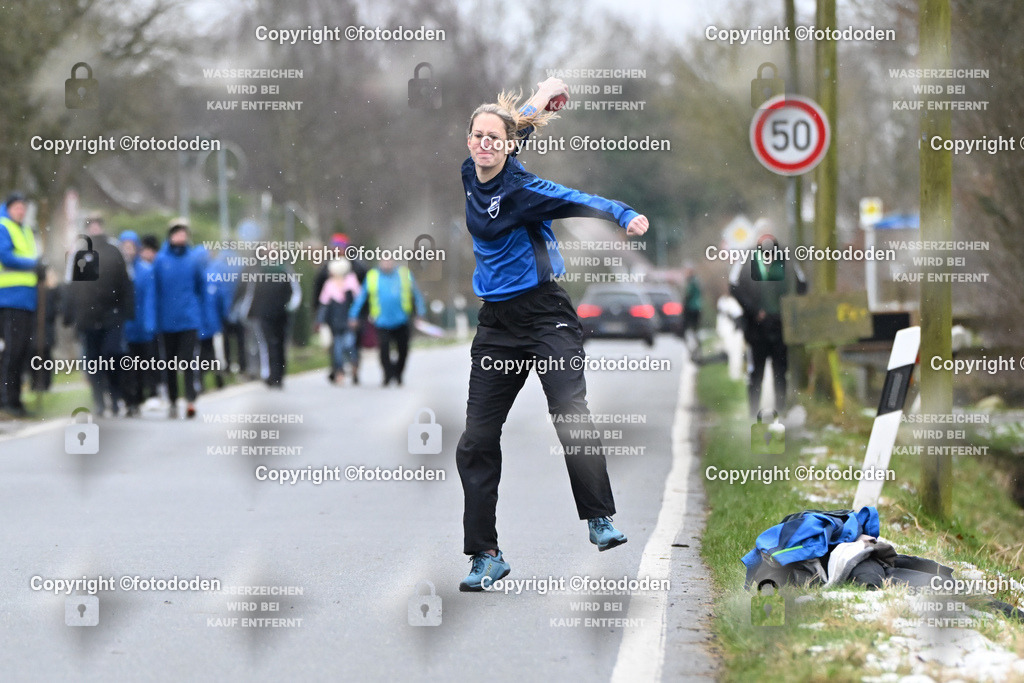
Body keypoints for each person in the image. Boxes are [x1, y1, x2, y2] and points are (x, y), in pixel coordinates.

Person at [455, 78, 649, 591]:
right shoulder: (469, 174)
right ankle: (486, 555)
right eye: (477, 136)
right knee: (475, 439)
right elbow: (512, 123)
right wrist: (543, 96)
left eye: (493, 140)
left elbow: (576, 198)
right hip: (496, 326)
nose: (484, 145)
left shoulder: (523, 191)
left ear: (509, 147)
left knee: (569, 412)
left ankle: (599, 518)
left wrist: (623, 213)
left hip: (546, 318)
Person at [729, 232, 807, 417]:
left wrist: (786, 309)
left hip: (780, 327)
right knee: (757, 373)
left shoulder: (786, 263)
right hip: (757, 329)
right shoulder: (748, 263)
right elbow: (735, 287)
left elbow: (801, 285)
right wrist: (754, 311)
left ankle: (780, 410)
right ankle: (753, 411)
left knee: (780, 372)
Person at [63, 216, 134, 417]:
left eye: (97, 225)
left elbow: (126, 281)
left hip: (111, 315)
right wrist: (69, 314)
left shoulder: (114, 249)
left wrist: (127, 311)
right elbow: (71, 285)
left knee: (112, 355)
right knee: (92, 361)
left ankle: (115, 395)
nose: (94, 228)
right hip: (86, 316)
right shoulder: (78, 253)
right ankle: (99, 401)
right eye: (90, 226)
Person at [153, 218, 204, 419]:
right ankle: (173, 401)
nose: (181, 236)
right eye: (177, 232)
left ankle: (190, 400)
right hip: (167, 321)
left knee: (188, 361)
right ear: (170, 236)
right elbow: (155, 291)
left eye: (184, 232)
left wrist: (199, 314)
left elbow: (200, 288)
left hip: (188, 319)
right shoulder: (160, 261)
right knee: (171, 364)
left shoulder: (193, 259)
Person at [348, 258, 425, 387]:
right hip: (381, 321)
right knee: (384, 351)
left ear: (394, 262)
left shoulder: (404, 274)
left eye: (389, 261)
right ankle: (387, 375)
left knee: (403, 351)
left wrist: (420, 312)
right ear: (380, 263)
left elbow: (416, 294)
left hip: (402, 320)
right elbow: (361, 297)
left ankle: (399, 374)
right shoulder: (372, 276)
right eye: (384, 261)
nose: (387, 264)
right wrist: (353, 315)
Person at [0, 192, 43, 417]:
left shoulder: (25, 230)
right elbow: (5, 256)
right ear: (8, 208)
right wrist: (34, 264)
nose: (21, 211)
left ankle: (15, 400)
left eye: (23, 207)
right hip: (9, 297)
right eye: (17, 207)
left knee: (22, 352)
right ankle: (7, 400)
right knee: (12, 351)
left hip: (26, 299)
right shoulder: (3, 227)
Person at [234, 252, 301, 388]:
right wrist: (246, 312)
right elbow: (251, 294)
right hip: (266, 315)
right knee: (270, 344)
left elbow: (295, 293)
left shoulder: (285, 271)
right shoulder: (259, 272)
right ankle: (273, 375)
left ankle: (278, 375)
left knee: (278, 344)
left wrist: (290, 307)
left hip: (280, 315)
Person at [119, 231, 157, 417]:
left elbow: (150, 298)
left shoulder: (146, 270)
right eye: (124, 246)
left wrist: (150, 322)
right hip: (124, 327)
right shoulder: (118, 270)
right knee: (127, 366)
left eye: (130, 246)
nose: (128, 250)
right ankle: (129, 400)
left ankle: (139, 397)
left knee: (142, 365)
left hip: (142, 326)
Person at [316, 258, 361, 384]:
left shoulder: (351, 282)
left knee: (349, 345)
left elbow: (359, 301)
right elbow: (324, 305)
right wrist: (320, 322)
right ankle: (339, 372)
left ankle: (354, 365)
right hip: (335, 322)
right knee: (337, 349)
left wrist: (356, 318)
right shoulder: (329, 285)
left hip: (349, 321)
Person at [680, 262, 703, 360]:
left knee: (690, 331)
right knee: (694, 331)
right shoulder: (696, 281)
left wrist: (683, 305)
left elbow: (687, 295)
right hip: (696, 308)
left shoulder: (691, 282)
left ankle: (694, 353)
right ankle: (696, 352)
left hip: (691, 309)